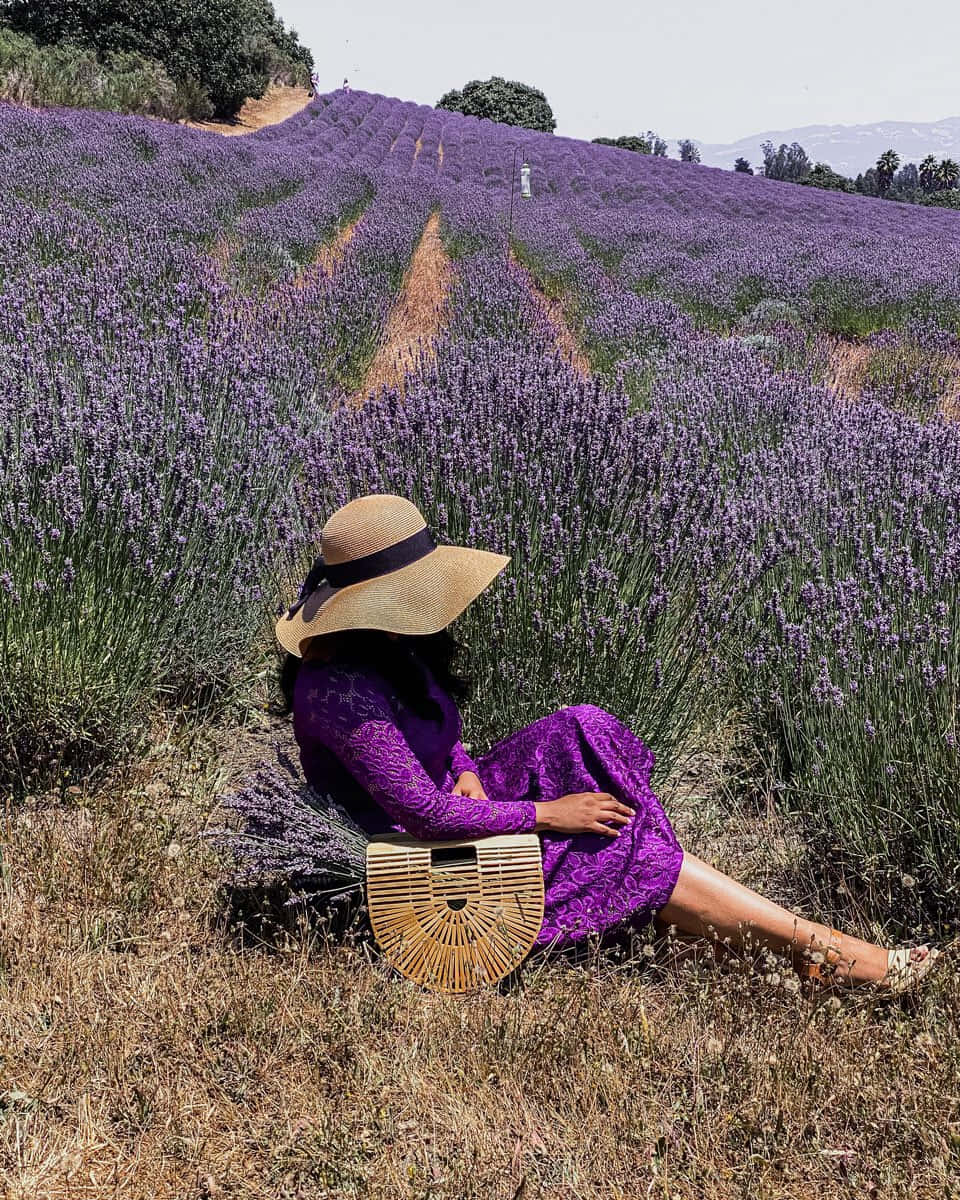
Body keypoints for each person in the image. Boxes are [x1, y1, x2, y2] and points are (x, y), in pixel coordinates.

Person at [275, 494, 939, 993]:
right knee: (605, 839)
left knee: (582, 727)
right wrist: (548, 815)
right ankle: (841, 957)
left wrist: (466, 764)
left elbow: (438, 741)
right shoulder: (336, 691)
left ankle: (678, 905)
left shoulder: (391, 646)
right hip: (424, 870)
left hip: (453, 815)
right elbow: (424, 816)